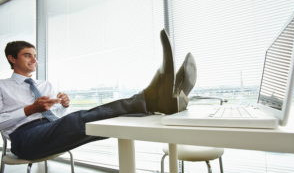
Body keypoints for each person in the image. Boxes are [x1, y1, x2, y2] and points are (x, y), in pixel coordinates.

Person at [0, 29, 196, 160]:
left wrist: (63, 106)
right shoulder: (2, 86)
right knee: (78, 122)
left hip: (53, 129)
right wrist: (29, 109)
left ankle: (161, 104)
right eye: (28, 55)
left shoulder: (45, 84)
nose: (34, 60)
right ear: (12, 58)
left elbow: (56, 116)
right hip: (23, 139)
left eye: (35, 55)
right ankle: (150, 100)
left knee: (107, 126)